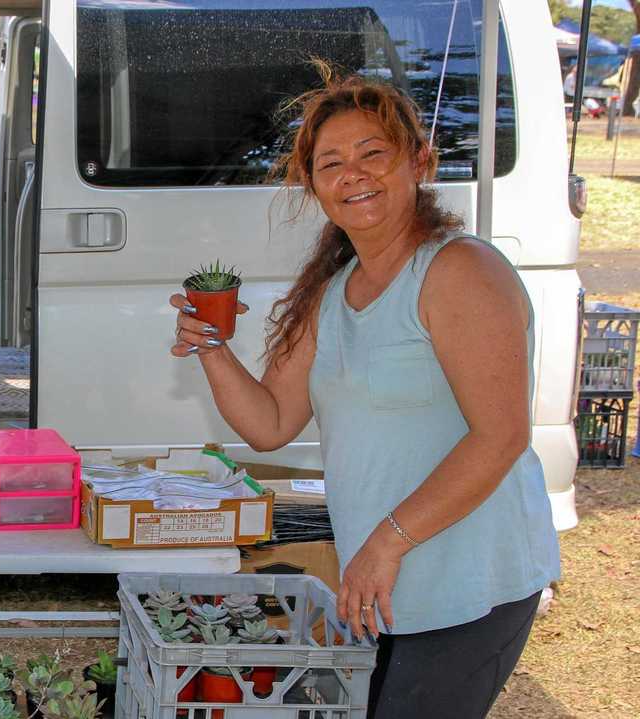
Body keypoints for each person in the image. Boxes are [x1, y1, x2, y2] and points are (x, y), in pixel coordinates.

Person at [169, 66, 558, 718]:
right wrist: (211, 346)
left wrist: (385, 542)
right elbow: (269, 423)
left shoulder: (460, 270)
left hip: (469, 584)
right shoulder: (332, 289)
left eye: (373, 153)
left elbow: (502, 436)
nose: (353, 173)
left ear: (417, 160)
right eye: (331, 163)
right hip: (386, 591)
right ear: (314, 186)